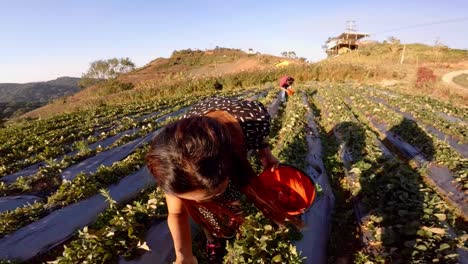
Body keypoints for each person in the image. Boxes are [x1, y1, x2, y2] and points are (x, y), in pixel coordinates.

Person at [146, 96, 301, 264]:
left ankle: (235, 220)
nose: (200, 200)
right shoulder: (171, 165)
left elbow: (260, 136)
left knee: (230, 196)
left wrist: (265, 153)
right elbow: (176, 212)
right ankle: (212, 239)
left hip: (233, 138)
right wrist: (184, 256)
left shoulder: (254, 119)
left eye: (209, 195)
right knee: (202, 210)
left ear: (230, 165)